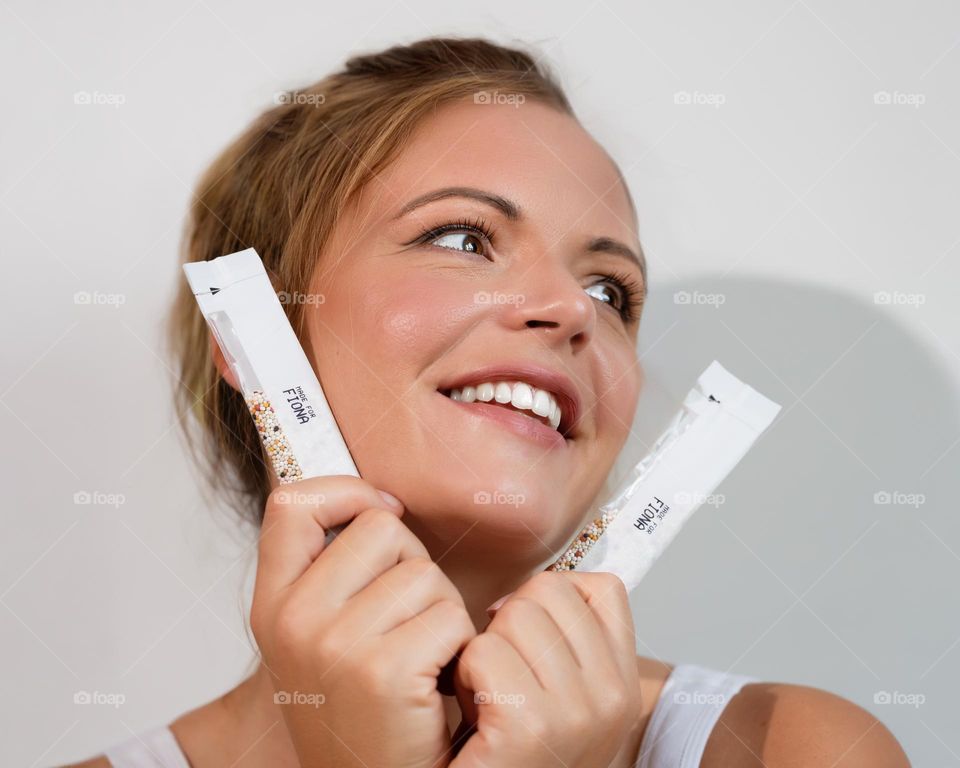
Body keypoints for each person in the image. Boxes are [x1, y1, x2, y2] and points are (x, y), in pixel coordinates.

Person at [67, 36, 910, 767]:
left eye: (612, 291)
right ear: (256, 333)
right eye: (464, 239)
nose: (574, 310)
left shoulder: (789, 748)